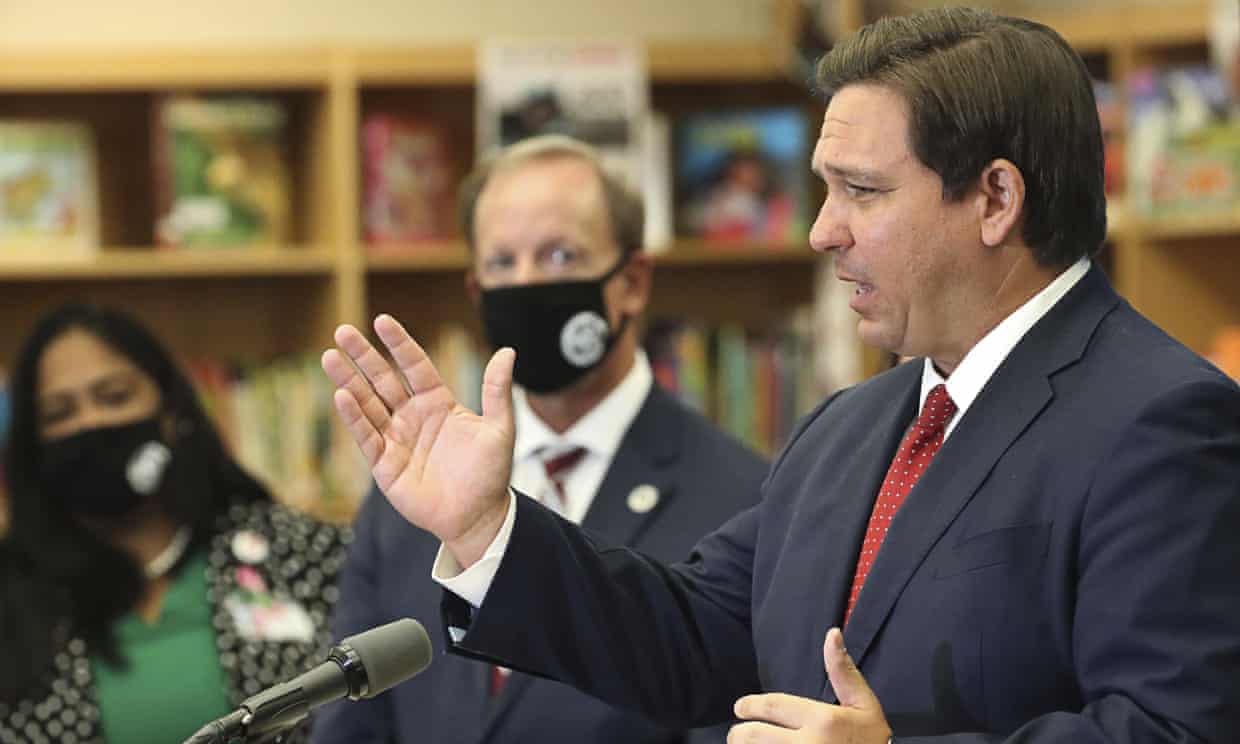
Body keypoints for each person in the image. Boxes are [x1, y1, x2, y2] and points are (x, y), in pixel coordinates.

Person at [321, 8, 1240, 743]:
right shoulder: (850, 426)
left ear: (995, 198)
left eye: (863, 191)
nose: (820, 229)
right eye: (822, 187)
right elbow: (692, 637)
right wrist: (488, 530)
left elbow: (1177, 728)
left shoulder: (1165, 421)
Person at [311, 135, 768, 744]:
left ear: (631, 281)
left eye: (559, 257)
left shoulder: (742, 496)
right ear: (476, 292)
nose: (526, 284)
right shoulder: (410, 494)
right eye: (502, 264)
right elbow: (356, 719)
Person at [0, 302, 350, 744]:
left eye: (114, 397)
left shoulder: (299, 553)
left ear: (172, 412)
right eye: (59, 414)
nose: (90, 422)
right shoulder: (11, 595)